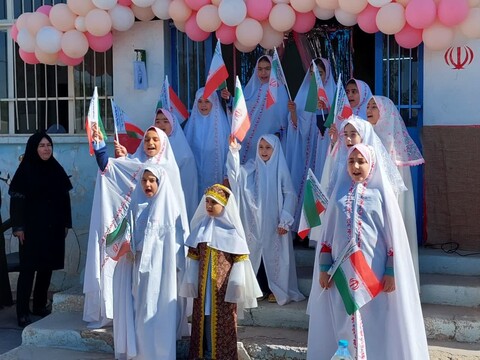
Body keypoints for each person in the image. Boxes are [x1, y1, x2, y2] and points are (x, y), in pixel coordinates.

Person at [306, 143, 429, 359]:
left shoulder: (381, 196)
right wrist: (324, 269)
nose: (356, 166)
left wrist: (391, 272)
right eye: (351, 161)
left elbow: (393, 242)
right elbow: (327, 240)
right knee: (345, 319)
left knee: (375, 320)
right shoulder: (338, 197)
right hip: (343, 275)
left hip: (374, 274)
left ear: (371, 164)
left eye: (361, 161)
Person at [83, 126, 189, 340]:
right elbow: (111, 171)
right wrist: (101, 147)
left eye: (155, 140)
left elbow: (175, 217)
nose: (150, 143)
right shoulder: (137, 165)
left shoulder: (169, 168)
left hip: (163, 252)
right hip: (139, 255)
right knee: (140, 304)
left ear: (163, 144)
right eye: (147, 139)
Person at [110, 165, 183, 360]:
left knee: (159, 316)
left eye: (152, 180)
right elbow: (127, 234)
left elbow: (176, 247)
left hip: (162, 275)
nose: (148, 184)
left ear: (160, 182)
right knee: (140, 314)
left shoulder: (171, 211)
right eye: (144, 180)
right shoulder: (137, 206)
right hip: (138, 271)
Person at [180, 184, 261, 360]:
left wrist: (236, 286)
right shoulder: (201, 229)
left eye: (214, 202)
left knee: (222, 322)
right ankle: (203, 354)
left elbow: (239, 261)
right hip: (203, 289)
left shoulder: (232, 233)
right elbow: (194, 257)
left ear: (224, 205)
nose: (209, 205)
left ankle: (221, 355)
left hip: (222, 291)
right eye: (207, 201)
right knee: (203, 319)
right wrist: (191, 283)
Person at [227, 135, 305, 305]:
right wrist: (233, 152)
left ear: (275, 150)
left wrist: (285, 219)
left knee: (275, 256)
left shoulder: (280, 169)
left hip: (274, 221)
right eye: (261, 147)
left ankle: (275, 290)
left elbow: (290, 195)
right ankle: (259, 288)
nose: (264, 151)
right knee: (256, 255)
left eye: (268, 148)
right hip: (254, 222)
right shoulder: (252, 167)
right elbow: (236, 176)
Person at [9, 132, 72, 327]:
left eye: (48, 145)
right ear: (33, 148)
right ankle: (22, 312)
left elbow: (65, 199)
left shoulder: (55, 169)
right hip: (30, 229)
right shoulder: (25, 171)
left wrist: (66, 224)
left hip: (52, 228)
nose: (46, 149)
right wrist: (18, 227)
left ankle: (38, 305)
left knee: (46, 268)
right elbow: (17, 201)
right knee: (28, 269)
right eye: (42, 145)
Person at [367, 95, 425, 287]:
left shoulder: (394, 145)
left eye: (374, 107)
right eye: (368, 106)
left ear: (386, 113)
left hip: (390, 203)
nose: (369, 110)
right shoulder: (366, 138)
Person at [285, 58, 336, 231]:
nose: (317, 79)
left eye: (320, 74)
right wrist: (293, 112)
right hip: (307, 153)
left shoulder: (334, 94)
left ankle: (318, 234)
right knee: (305, 185)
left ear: (327, 75)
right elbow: (299, 128)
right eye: (313, 75)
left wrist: (327, 109)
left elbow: (337, 125)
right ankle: (303, 231)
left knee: (322, 184)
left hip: (324, 152)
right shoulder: (305, 94)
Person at [183, 88, 230, 202]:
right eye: (200, 101)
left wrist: (226, 175)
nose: (203, 105)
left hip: (216, 174)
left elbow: (228, 153)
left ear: (214, 103)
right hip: (196, 176)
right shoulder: (190, 127)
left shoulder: (223, 127)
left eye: (207, 101)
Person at [241, 55, 289, 163]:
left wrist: (277, 135)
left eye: (267, 69)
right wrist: (229, 100)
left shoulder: (279, 90)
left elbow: (283, 118)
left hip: (269, 143)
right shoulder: (251, 90)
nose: (263, 73)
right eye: (260, 69)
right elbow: (241, 109)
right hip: (250, 142)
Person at [154, 108, 198, 220]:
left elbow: (187, 189)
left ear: (173, 125)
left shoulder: (184, 153)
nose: (161, 124)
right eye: (157, 121)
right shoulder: (150, 146)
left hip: (174, 204)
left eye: (165, 121)